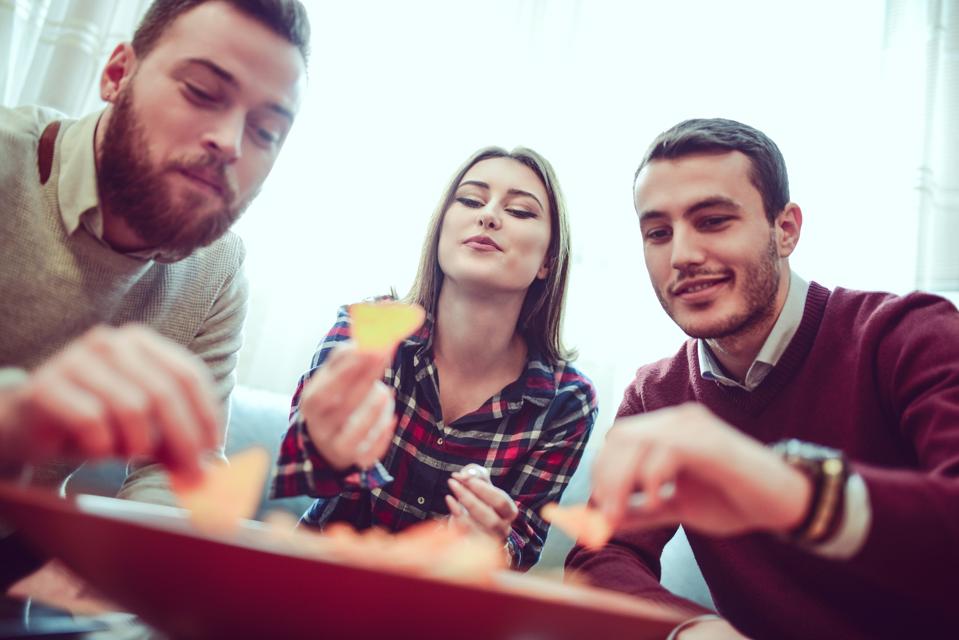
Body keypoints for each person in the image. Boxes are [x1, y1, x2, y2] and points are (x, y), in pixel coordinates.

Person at [565, 118, 959, 639]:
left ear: (786, 229)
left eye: (713, 221)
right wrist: (690, 629)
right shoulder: (655, 394)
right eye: (658, 233)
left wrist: (790, 490)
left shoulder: (910, 336)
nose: (681, 255)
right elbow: (602, 554)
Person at [0, 0, 309, 586]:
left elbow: (175, 474)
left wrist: (135, 580)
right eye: (200, 91)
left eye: (266, 129)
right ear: (117, 74)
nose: (231, 143)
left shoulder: (218, 271)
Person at [272, 147, 597, 570]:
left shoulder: (568, 402)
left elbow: (522, 548)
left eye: (519, 210)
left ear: (547, 262)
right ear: (441, 228)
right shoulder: (366, 329)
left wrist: (491, 544)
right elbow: (310, 470)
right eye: (470, 200)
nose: (489, 216)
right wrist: (325, 448)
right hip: (319, 584)